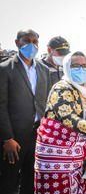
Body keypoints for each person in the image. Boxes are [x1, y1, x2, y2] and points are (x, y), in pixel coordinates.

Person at [34, 51, 86, 194]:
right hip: (58, 157)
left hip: (80, 156)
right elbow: (68, 118)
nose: (81, 69)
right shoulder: (62, 87)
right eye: (76, 66)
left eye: (85, 66)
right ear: (67, 67)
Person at [0, 29, 51, 194]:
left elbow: (45, 104)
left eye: (34, 41)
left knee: (31, 181)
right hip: (14, 140)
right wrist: (7, 138)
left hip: (37, 136)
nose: (31, 45)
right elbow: (1, 105)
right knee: (9, 181)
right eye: (26, 41)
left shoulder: (44, 70)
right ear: (17, 43)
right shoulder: (5, 69)